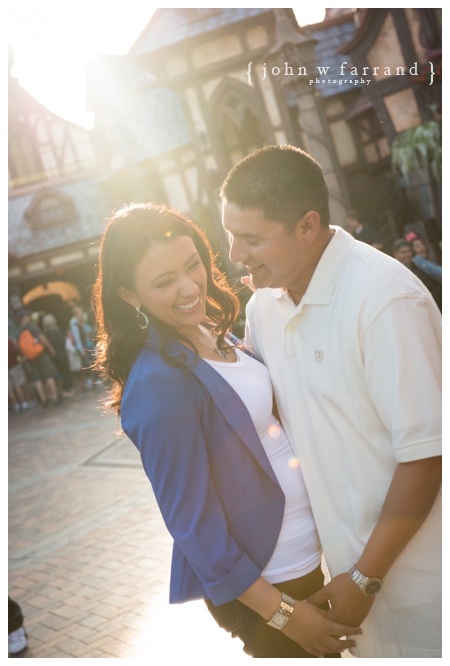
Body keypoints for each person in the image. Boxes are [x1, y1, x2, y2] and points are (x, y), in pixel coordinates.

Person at [93, 203, 362, 658]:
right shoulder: (157, 383)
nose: (188, 288)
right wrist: (282, 614)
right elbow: (192, 524)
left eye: (192, 265)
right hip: (272, 583)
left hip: (306, 559)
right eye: (163, 282)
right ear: (130, 294)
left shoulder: (211, 331)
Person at [220, 145, 441, 658]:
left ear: (307, 226)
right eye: (231, 234)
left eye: (251, 238)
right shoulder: (263, 308)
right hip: (342, 591)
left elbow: (425, 456)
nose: (235, 254)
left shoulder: (384, 299)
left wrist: (365, 578)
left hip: (425, 585)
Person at [16, 309, 59, 407]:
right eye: (28, 315)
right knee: (49, 376)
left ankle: (44, 400)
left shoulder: (19, 331)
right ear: (25, 317)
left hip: (30, 358)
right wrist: (50, 347)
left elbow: (19, 348)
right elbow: (42, 337)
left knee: (37, 379)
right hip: (41, 354)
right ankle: (54, 398)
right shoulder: (31, 326)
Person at [392, 238, 442, 309]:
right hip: (425, 299)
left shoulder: (418, 260)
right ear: (395, 254)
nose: (407, 255)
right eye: (403, 253)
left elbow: (435, 269)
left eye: (408, 251)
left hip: (438, 289)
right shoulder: (398, 270)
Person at [42, 314, 75, 398]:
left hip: (54, 357)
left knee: (58, 374)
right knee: (65, 372)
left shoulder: (46, 335)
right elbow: (63, 341)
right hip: (62, 354)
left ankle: (60, 391)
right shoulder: (57, 331)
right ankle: (67, 390)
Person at [70, 305, 96, 389]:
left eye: (82, 313)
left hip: (90, 346)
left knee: (93, 363)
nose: (81, 315)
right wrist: (82, 351)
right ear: (76, 315)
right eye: (79, 313)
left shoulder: (83, 322)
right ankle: (90, 383)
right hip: (84, 348)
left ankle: (94, 381)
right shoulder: (75, 325)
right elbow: (78, 339)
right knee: (87, 365)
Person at [8, 337, 29, 413]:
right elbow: (15, 352)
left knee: (9, 388)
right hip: (14, 366)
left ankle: (16, 405)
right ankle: (24, 403)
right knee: (18, 385)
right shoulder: (8, 340)